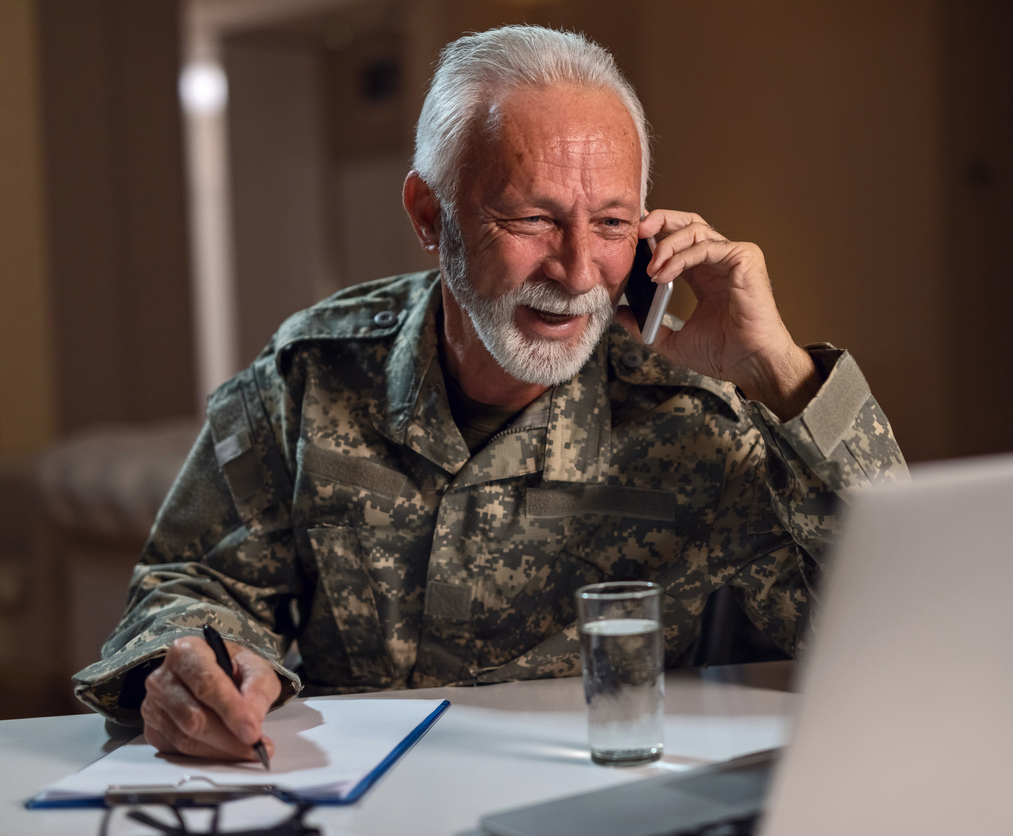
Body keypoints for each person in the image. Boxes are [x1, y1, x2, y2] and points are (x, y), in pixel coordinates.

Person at [73, 25, 907, 763]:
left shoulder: (694, 410)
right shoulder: (313, 374)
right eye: (531, 219)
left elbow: (903, 628)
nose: (578, 273)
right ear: (430, 215)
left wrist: (784, 376)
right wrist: (190, 663)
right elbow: (190, 580)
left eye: (613, 224)